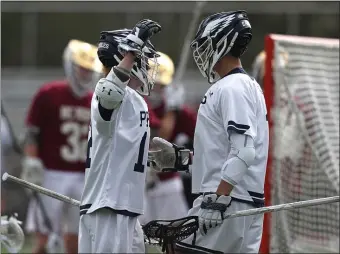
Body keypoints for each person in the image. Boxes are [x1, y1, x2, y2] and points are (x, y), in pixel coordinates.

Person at [149, 11, 269, 253]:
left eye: (206, 44)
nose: (202, 52)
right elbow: (225, 151)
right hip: (237, 201)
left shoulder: (231, 87)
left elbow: (244, 152)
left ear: (221, 43)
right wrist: (184, 159)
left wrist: (218, 200)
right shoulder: (242, 86)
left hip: (227, 203)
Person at [78, 20, 161, 253]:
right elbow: (111, 93)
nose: (143, 63)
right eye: (139, 58)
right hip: (107, 206)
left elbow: (119, 147)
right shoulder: (106, 91)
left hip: (125, 207)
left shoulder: (135, 99)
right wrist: (132, 51)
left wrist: (156, 159)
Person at [22, 39, 103, 254]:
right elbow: (31, 134)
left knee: (77, 242)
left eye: (89, 70)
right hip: (51, 173)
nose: (85, 75)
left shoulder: (97, 100)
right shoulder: (49, 94)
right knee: (42, 241)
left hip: (82, 175)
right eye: (81, 69)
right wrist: (32, 160)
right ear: (70, 66)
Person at [140, 52, 197, 225]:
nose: (157, 89)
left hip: (167, 181)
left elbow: (202, 134)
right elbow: (157, 138)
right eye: (154, 84)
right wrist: (171, 110)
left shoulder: (178, 110)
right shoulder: (138, 103)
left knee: (176, 237)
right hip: (138, 181)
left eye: (161, 85)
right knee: (133, 242)